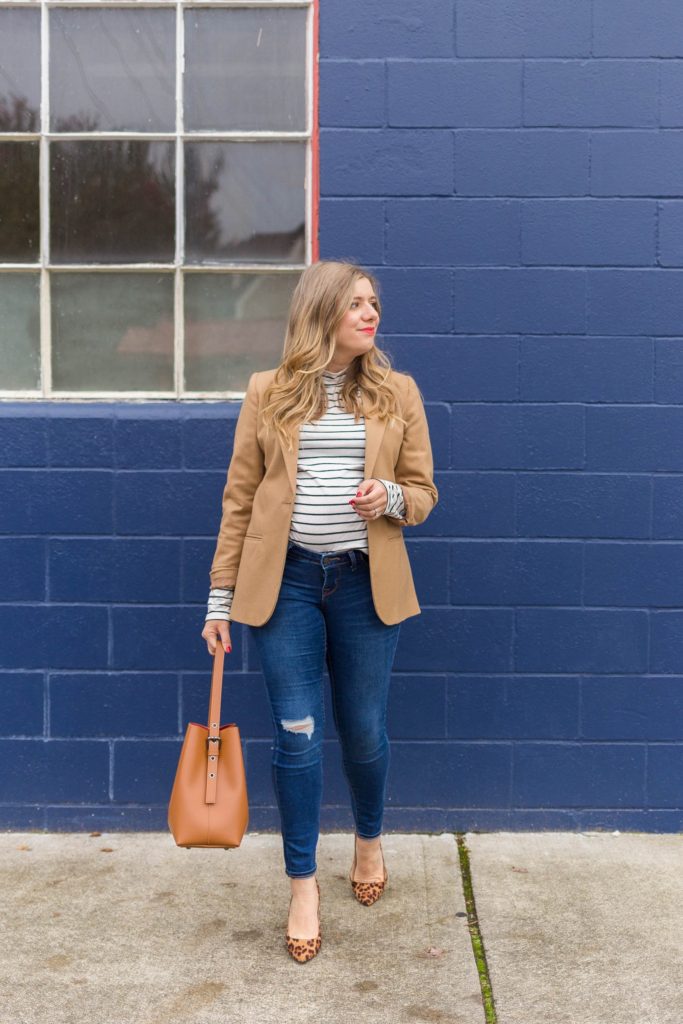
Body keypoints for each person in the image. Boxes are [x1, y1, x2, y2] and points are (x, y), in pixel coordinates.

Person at [201, 259, 438, 963]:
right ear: (319, 313)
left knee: (362, 728)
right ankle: (301, 884)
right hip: (287, 587)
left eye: (374, 303)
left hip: (366, 586)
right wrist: (219, 599)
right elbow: (239, 501)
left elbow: (422, 493)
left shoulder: (397, 393)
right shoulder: (267, 394)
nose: (371, 314)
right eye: (356, 304)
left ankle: (368, 839)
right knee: (297, 734)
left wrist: (387, 499)